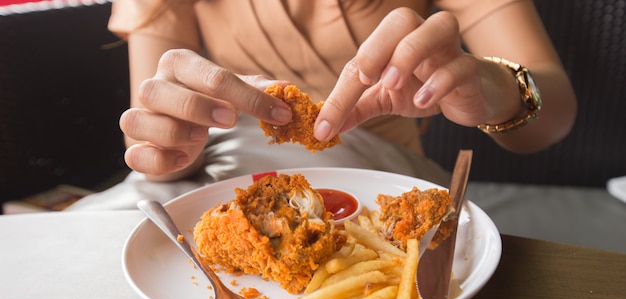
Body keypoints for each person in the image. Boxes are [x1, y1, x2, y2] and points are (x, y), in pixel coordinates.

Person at [70, 0, 576, 209]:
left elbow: (553, 117)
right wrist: (174, 138)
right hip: (214, 181)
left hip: (382, 185)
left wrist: (493, 88)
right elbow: (147, 150)